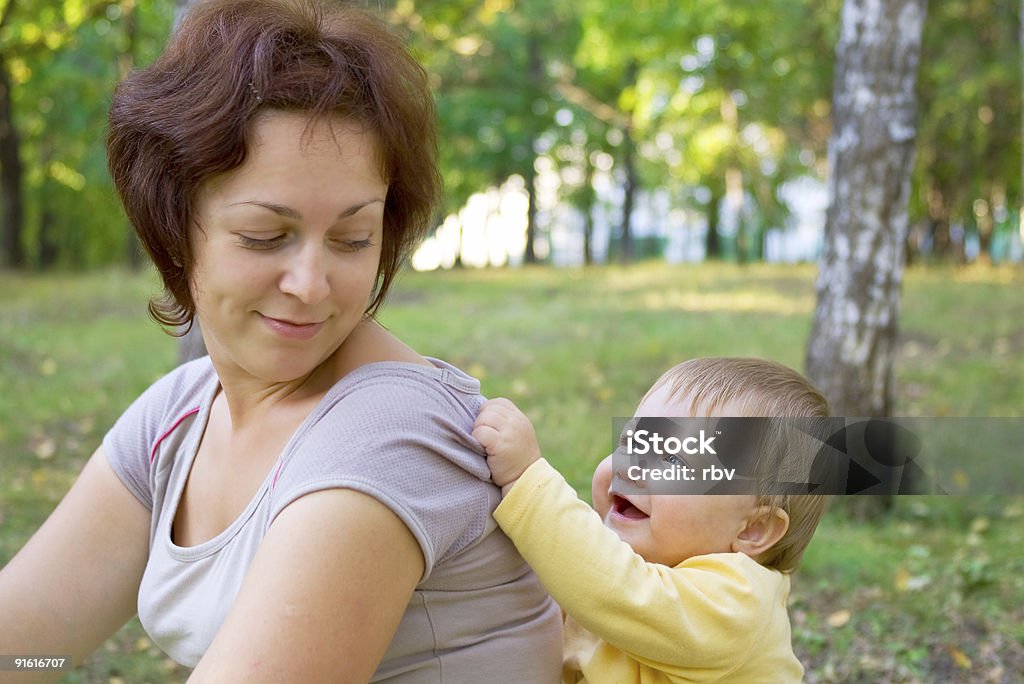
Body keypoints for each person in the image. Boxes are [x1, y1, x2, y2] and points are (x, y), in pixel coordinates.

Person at [0, 0, 561, 681]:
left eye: (354, 239)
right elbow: (27, 647)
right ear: (173, 226)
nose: (312, 284)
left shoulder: (390, 435)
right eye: (266, 236)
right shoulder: (179, 416)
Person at [472, 357, 832, 683]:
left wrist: (526, 481)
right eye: (633, 441)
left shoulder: (738, 603)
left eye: (674, 460)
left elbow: (614, 589)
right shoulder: (630, 561)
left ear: (753, 529)